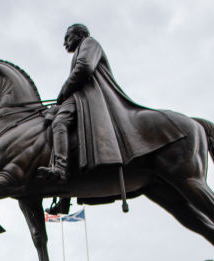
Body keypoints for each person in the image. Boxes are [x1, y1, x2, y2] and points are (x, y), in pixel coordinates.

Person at [37, 24, 184, 184]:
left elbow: (84, 67)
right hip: (80, 97)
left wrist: (64, 91)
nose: (65, 43)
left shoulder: (89, 43)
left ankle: (60, 168)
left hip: (87, 97)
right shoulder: (81, 48)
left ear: (79, 35)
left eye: (68, 38)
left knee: (59, 122)